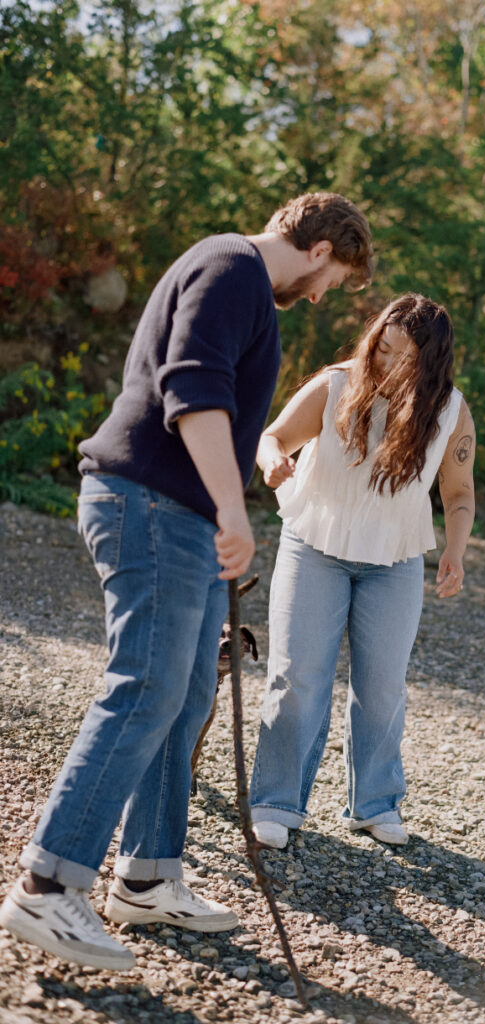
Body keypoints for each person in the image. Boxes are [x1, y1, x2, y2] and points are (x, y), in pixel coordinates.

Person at [0, 192, 373, 970]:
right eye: (334, 278)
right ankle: (48, 881)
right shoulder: (230, 265)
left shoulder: (241, 283)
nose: (324, 296)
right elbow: (193, 390)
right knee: (144, 687)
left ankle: (146, 873)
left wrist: (220, 519)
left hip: (188, 519)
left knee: (188, 694)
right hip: (152, 504)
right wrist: (233, 512)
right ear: (319, 249)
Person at [249, 292, 475, 850]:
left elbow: (460, 491)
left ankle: (373, 804)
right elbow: (272, 435)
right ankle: (275, 802)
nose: (387, 366)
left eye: (404, 358)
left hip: (395, 561)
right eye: (382, 350)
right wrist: (273, 460)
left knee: (382, 687)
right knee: (298, 676)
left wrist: (456, 550)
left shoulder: (449, 409)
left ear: (431, 363)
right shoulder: (334, 384)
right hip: (314, 547)